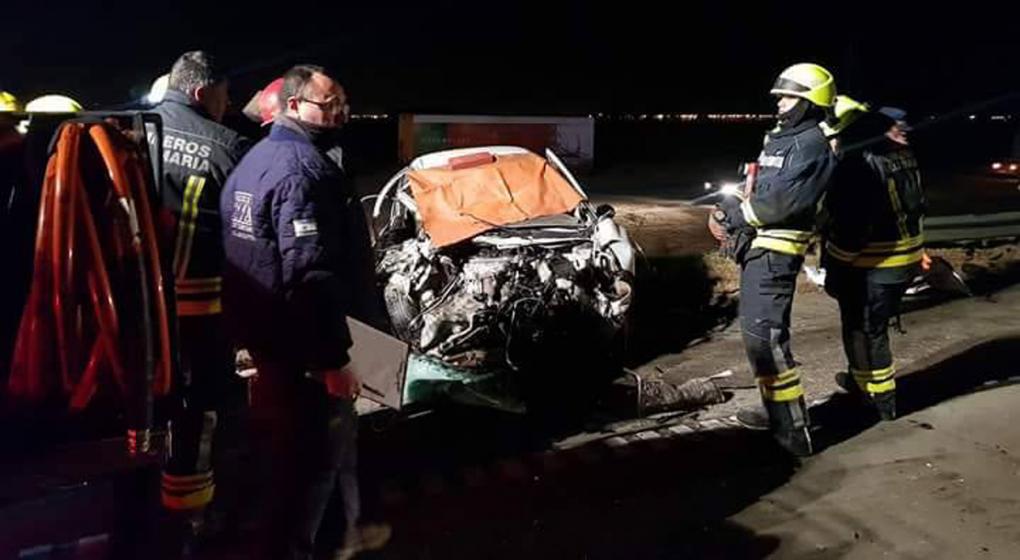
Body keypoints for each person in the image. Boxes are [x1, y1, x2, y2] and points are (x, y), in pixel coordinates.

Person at [220, 64, 389, 560]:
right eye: (329, 103)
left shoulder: (253, 161)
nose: (340, 113)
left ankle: (339, 535)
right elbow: (308, 274)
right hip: (303, 353)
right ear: (294, 105)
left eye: (343, 103)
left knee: (296, 459)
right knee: (309, 467)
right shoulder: (305, 172)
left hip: (270, 342)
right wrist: (331, 361)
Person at [148, 50, 250, 553]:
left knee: (148, 405)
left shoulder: (130, 130)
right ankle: (192, 524)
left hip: (135, 310)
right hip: (198, 309)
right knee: (201, 409)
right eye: (224, 95)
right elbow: (247, 235)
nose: (226, 104)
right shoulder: (226, 144)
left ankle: (144, 505)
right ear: (200, 92)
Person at [712, 63, 839, 456]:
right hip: (758, 251)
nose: (780, 103)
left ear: (809, 102)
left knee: (767, 342)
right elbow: (762, 190)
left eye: (788, 97)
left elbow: (783, 202)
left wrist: (734, 216)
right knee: (757, 342)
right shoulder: (782, 139)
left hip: (775, 256)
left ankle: (793, 433)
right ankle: (777, 414)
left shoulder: (811, 144)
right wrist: (729, 206)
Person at [822, 101, 925, 421]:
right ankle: (866, 384)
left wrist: (836, 266)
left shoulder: (859, 163)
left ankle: (881, 400)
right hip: (903, 260)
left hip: (872, 265)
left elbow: (853, 226)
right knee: (871, 328)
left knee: (865, 329)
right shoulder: (900, 153)